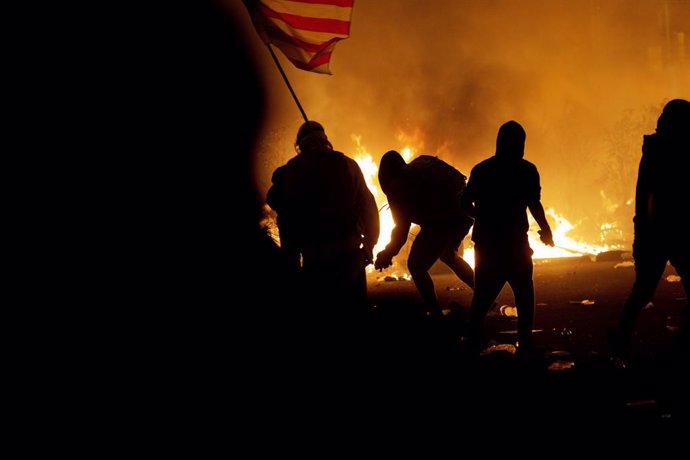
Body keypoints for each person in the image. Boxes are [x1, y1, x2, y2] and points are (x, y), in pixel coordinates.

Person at [266, 120, 380, 318]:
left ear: (300, 145)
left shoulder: (291, 172)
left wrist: (292, 267)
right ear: (325, 140)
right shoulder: (347, 164)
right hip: (351, 261)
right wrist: (368, 248)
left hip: (315, 265)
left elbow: (288, 222)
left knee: (323, 324)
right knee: (355, 319)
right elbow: (369, 210)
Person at [461, 120, 554, 353]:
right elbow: (534, 204)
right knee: (524, 293)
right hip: (515, 243)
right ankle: (525, 340)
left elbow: (464, 202)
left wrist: (481, 216)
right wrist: (545, 229)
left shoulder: (481, 170)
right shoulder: (527, 171)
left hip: (488, 243)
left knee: (482, 296)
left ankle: (473, 340)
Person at [609, 99, 690, 362]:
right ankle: (622, 335)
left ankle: (622, 335)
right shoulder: (664, 152)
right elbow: (655, 196)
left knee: (643, 290)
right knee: (644, 290)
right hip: (664, 232)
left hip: (660, 232)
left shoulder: (662, 149)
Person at [374, 151, 475, 318]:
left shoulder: (397, 187)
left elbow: (401, 231)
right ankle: (485, 297)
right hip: (463, 215)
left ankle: (435, 312)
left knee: (416, 266)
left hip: (442, 222)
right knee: (449, 255)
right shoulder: (422, 164)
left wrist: (387, 253)